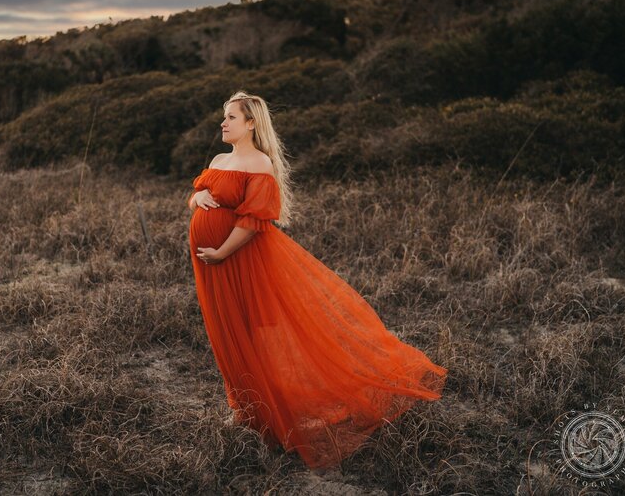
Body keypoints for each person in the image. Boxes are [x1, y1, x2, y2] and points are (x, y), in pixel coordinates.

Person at [186, 91, 447, 471]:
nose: (222, 124)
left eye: (230, 117)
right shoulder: (218, 159)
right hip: (211, 263)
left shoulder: (259, 163)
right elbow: (195, 198)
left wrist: (223, 251)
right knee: (225, 332)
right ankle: (245, 409)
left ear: (251, 123)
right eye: (223, 117)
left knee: (251, 332)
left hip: (240, 261)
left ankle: (268, 415)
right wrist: (200, 198)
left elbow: (254, 221)